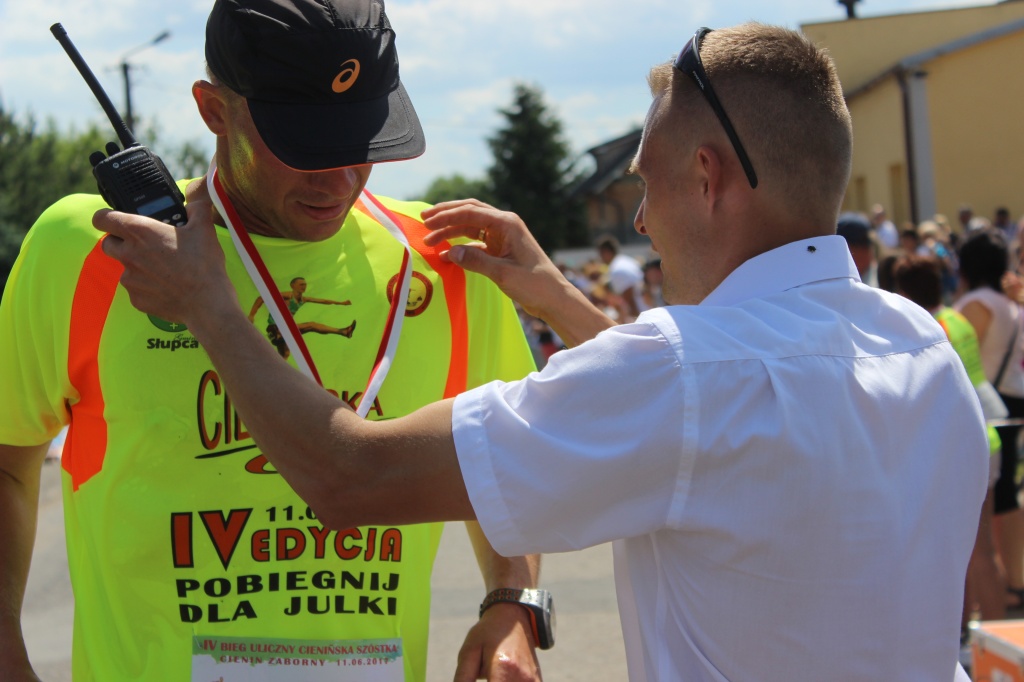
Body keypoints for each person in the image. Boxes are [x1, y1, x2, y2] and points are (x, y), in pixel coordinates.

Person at [95, 22, 986, 680]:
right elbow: (723, 423)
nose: (638, 219)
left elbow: (347, 478)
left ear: (707, 178)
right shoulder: (916, 346)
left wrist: (208, 307)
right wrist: (555, 297)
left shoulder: (681, 377)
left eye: (646, 180)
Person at [0, 1, 545, 680]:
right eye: (306, 145)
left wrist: (512, 603)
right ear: (214, 110)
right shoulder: (93, 251)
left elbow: (507, 467)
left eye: (362, 138)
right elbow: (8, 462)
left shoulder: (446, 264)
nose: (340, 177)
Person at [892, 255, 1007, 635]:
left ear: (904, 291)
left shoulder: (927, 327)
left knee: (973, 552)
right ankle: (976, 634)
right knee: (972, 550)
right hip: (983, 434)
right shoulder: (957, 318)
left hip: (959, 440)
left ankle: (995, 641)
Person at [955, 229, 1024, 616]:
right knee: (1008, 504)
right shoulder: (1008, 301)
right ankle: (1014, 582)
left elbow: (965, 361)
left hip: (989, 410)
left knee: (988, 515)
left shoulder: (975, 305)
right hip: (1010, 399)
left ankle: (996, 596)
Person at [597, 236, 647, 322]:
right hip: (648, 311)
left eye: (601, 255)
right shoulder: (625, 261)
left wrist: (639, 322)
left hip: (643, 314)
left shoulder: (617, 269)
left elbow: (630, 301)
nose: (600, 258)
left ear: (606, 253)